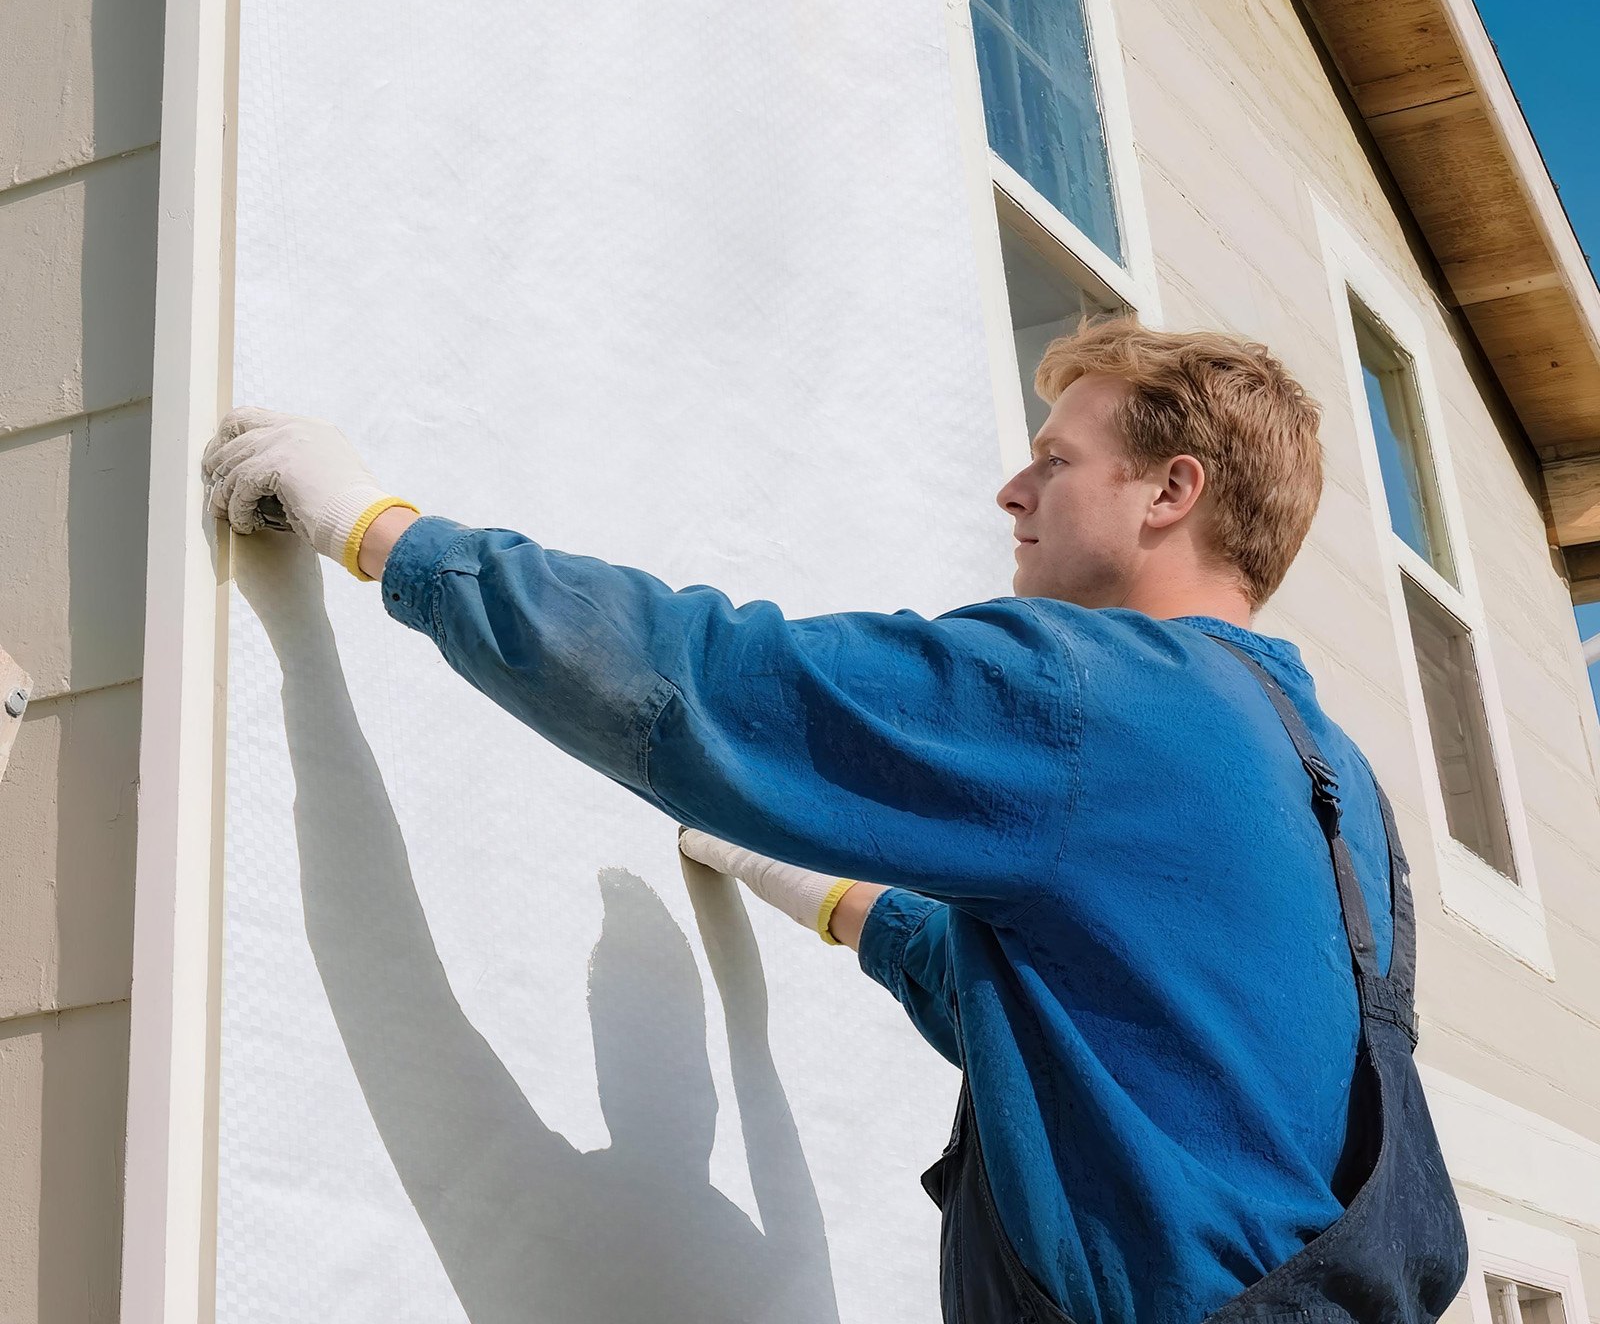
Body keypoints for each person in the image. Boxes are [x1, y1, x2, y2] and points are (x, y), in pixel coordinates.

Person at [202, 318, 1468, 1324]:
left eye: (1058, 460)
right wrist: (824, 895)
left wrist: (381, 534)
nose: (1011, 489)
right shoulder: (1325, 774)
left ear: (1169, 491)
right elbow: (1102, 1021)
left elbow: (712, 681)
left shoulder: (1093, 695)